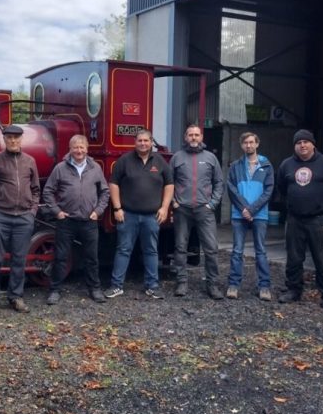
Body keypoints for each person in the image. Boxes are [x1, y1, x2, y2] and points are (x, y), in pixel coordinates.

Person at [275, 129, 323, 313]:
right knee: (294, 258)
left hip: (318, 220)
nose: (302, 145)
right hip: (294, 220)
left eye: (306, 142)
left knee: (322, 259)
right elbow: (281, 188)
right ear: (295, 146)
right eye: (299, 143)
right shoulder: (286, 165)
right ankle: (293, 290)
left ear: (313, 144)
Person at [0, 124, 41, 318]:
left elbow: (36, 189)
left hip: (23, 218)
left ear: (21, 140)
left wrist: (32, 212)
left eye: (16, 138)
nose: (13, 141)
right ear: (4, 140)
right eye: (9, 138)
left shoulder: (30, 161)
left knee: (19, 260)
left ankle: (16, 297)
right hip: (0, 217)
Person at [105, 130, 173, 300]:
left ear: (151, 143)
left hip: (152, 216)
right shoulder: (125, 160)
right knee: (123, 250)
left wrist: (164, 207)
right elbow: (113, 184)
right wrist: (117, 208)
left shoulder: (160, 161)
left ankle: (152, 287)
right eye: (140, 140)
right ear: (135, 142)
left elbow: (169, 185)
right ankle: (116, 286)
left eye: (146, 141)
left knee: (151, 251)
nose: (143, 143)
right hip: (128, 215)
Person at [42, 134, 110, 304]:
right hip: (67, 221)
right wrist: (57, 211)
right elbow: (48, 191)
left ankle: (94, 289)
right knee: (61, 256)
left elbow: (105, 191)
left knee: (92, 257)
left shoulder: (95, 168)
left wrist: (98, 211)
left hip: (89, 220)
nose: (79, 150)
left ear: (87, 149)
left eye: (82, 147)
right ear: (70, 149)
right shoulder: (60, 168)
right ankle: (55, 290)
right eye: (75, 147)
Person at [170, 124, 225, 299]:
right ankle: (181, 282)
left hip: (204, 210)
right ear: (185, 137)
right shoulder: (177, 158)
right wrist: (173, 202)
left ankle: (212, 285)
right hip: (182, 210)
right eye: (190, 135)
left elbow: (219, 183)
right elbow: (168, 183)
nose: (193, 138)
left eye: (197, 135)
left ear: (202, 137)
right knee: (180, 247)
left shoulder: (210, 158)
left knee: (211, 249)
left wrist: (213, 203)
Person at [226, 132, 274, 301]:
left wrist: (252, 210)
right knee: (237, 251)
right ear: (241, 146)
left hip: (259, 215)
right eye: (245, 142)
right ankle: (233, 285)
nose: (248, 145)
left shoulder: (266, 165)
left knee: (260, 251)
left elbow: (269, 191)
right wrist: (244, 209)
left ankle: (264, 287)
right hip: (239, 215)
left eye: (251, 142)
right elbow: (231, 189)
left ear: (257, 144)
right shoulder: (236, 166)